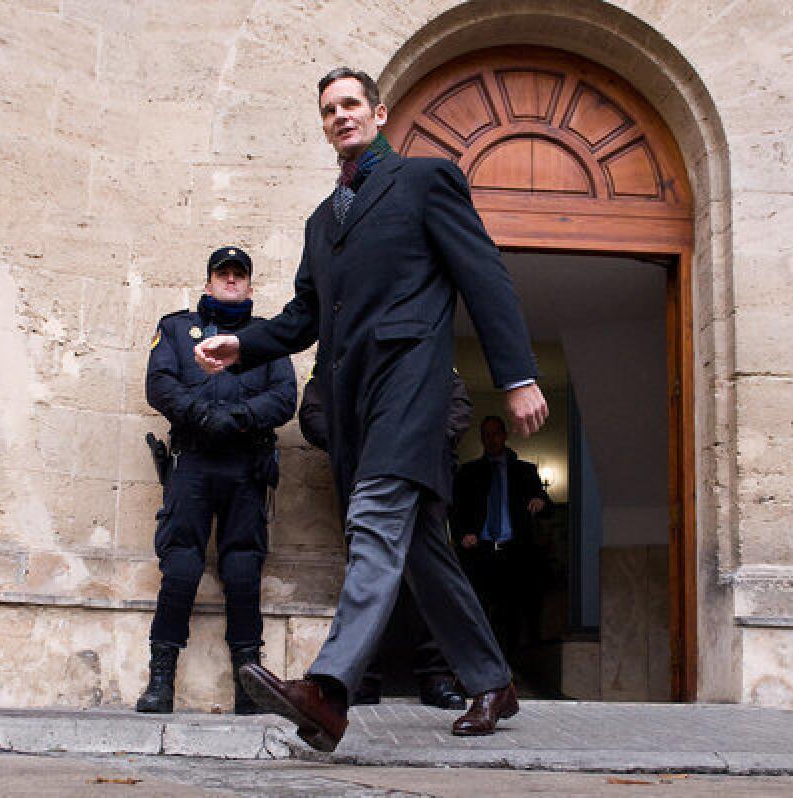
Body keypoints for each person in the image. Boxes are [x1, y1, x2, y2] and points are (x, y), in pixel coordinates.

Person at [193, 67, 548, 751]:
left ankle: (328, 693)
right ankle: (492, 679)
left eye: (351, 104)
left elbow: (483, 273)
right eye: (329, 109)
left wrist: (518, 375)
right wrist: (244, 343)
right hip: (356, 407)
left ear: (379, 113)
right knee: (418, 549)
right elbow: (304, 316)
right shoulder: (321, 222)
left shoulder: (424, 181)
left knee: (375, 524)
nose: (340, 116)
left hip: (413, 387)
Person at [137, 246, 297, 715]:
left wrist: (242, 418)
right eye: (222, 274)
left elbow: (284, 396)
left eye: (238, 275)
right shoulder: (174, 327)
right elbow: (160, 384)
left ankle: (248, 684)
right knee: (182, 567)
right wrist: (204, 416)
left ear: (249, 285)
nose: (231, 280)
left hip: (245, 467)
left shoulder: (266, 337)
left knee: (244, 570)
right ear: (208, 283)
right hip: (194, 462)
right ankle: (161, 679)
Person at [298, 360, 472, 710]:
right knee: (366, 578)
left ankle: (437, 677)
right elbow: (313, 413)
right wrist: (355, 444)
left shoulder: (425, 350)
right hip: (366, 479)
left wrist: (419, 445)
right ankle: (362, 677)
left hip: (423, 479)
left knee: (431, 579)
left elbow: (458, 408)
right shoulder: (342, 354)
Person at [453, 416, 553, 660]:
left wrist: (540, 502)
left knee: (514, 612)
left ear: (504, 435)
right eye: (486, 434)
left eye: (496, 433)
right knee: (479, 610)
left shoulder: (524, 471)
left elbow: (547, 505)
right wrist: (463, 535)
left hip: (516, 552)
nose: (491, 439)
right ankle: (480, 664)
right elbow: (456, 511)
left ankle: (510, 667)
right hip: (482, 552)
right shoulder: (469, 472)